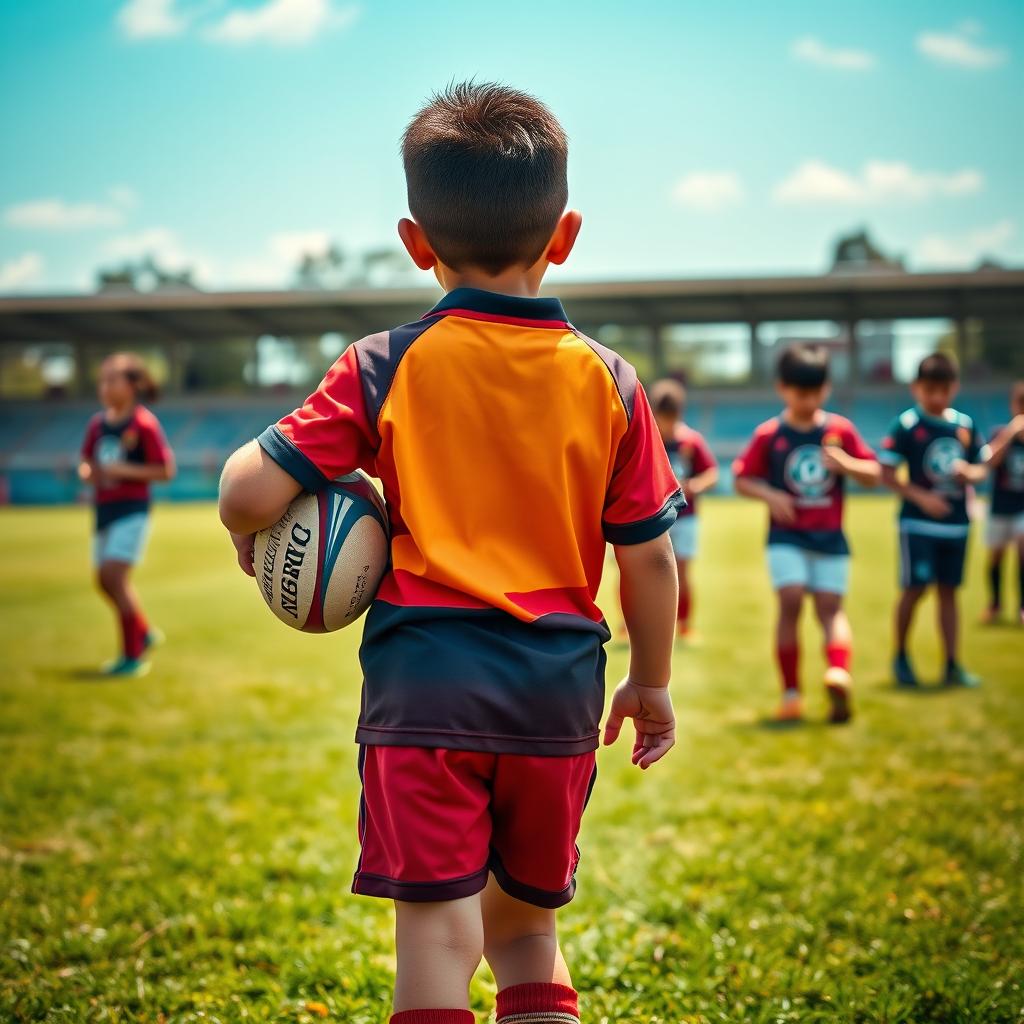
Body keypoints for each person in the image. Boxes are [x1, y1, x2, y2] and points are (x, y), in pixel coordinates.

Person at [218, 82, 682, 1024]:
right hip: (558, 688)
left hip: (424, 682)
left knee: (436, 935)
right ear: (566, 234)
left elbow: (244, 492)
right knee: (525, 933)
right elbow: (649, 559)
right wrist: (653, 682)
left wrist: (246, 534)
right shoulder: (613, 382)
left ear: (414, 243)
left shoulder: (384, 364)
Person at [733, 344, 879, 723]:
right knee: (792, 600)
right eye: (801, 393)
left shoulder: (840, 431)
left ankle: (838, 673)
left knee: (831, 610)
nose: (808, 400)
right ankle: (791, 693)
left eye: (815, 393)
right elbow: (741, 479)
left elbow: (874, 474)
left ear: (826, 389)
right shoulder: (770, 435)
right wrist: (769, 493)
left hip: (830, 537)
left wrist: (846, 464)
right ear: (783, 389)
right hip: (787, 537)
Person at [879, 352, 989, 687]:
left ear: (954, 387)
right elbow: (886, 473)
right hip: (917, 525)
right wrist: (921, 497)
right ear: (917, 388)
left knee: (948, 593)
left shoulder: (964, 425)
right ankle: (901, 657)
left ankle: (952, 664)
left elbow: (981, 467)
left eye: (943, 390)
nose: (937, 398)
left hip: (956, 524)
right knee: (914, 590)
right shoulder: (907, 425)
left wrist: (970, 472)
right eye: (930, 390)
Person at [78, 352, 175, 677]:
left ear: (132, 385)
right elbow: (87, 461)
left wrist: (125, 469)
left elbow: (165, 470)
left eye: (111, 380)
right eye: (101, 381)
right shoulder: (97, 424)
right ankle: (143, 630)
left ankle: (132, 655)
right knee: (104, 582)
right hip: (104, 510)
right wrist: (87, 472)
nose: (104, 387)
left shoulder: (143, 424)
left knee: (113, 578)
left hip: (132, 511)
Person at [649, 378, 718, 638]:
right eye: (662, 417)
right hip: (653, 518)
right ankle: (629, 625)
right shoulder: (648, 439)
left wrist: (696, 486)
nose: (667, 425)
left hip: (686, 517)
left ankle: (684, 623)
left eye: (671, 418)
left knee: (682, 571)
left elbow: (711, 473)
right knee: (638, 572)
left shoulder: (691, 441)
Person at [981, 381, 1024, 624]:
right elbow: (988, 462)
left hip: (1022, 507)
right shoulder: (1001, 433)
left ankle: (1022, 606)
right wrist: (1010, 434)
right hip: (1000, 506)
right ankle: (995, 604)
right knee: (996, 557)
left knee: (1023, 549)